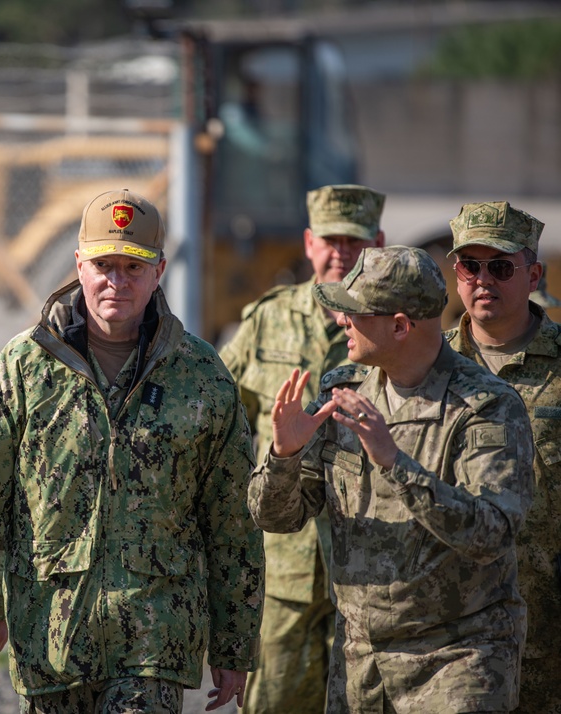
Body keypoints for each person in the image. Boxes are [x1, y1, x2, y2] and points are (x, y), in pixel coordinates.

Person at [0, 188, 264, 713]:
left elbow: (232, 521)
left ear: (159, 270)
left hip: (154, 641)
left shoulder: (201, 375)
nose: (118, 281)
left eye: (134, 267)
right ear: (79, 265)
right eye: (104, 264)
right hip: (49, 640)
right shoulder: (24, 368)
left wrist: (235, 642)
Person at [248, 245, 533, 713]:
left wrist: (394, 462)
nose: (340, 320)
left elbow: (493, 534)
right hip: (361, 664)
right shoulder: (341, 389)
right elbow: (275, 517)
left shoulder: (487, 407)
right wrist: (285, 453)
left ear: (400, 326)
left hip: (455, 661)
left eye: (354, 312)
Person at [219, 183, 384, 714]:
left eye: (355, 242)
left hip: (365, 570)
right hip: (280, 569)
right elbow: (219, 416)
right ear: (309, 243)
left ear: (378, 243)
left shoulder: (393, 329)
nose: (341, 252)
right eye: (331, 240)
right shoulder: (266, 319)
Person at [444, 201, 561, 713]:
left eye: (501, 267)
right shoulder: (429, 368)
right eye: (471, 266)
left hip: (550, 629)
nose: (483, 280)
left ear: (534, 274)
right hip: (456, 629)